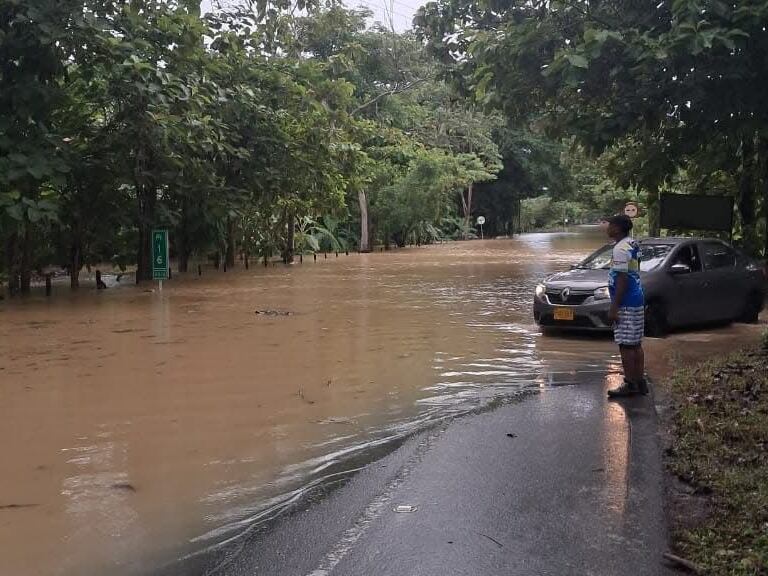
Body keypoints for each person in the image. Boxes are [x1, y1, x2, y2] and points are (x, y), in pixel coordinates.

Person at [605, 215, 647, 398]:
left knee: (626, 345)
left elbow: (622, 279)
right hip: (636, 299)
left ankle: (631, 384)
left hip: (626, 302)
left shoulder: (620, 248)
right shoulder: (632, 243)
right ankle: (639, 382)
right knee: (635, 343)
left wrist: (614, 306)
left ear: (618, 228)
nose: (607, 228)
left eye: (610, 225)